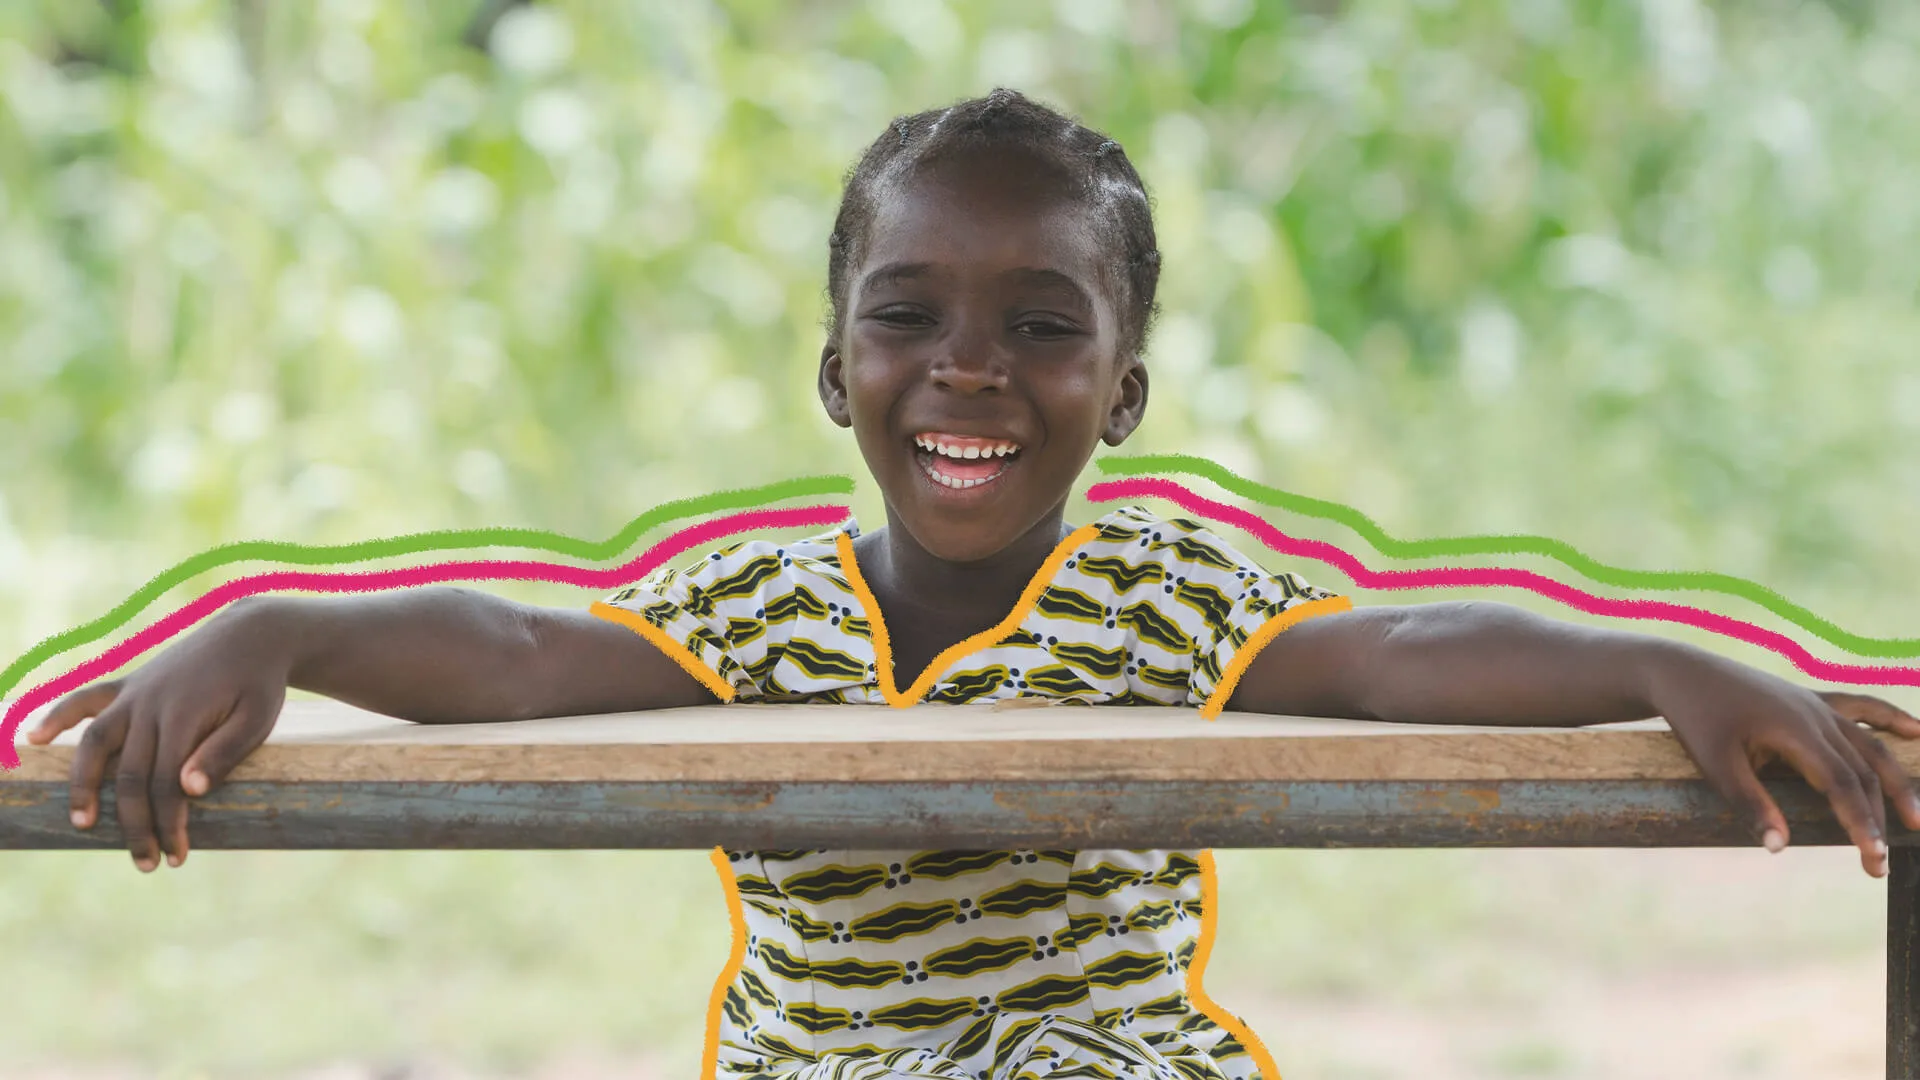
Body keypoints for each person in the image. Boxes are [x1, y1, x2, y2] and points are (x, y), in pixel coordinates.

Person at [27, 89, 1920, 1080]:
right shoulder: (758, 615)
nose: (971, 369)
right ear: (832, 366)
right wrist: (270, 620)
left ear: (1127, 390)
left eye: (1042, 326)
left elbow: (1408, 649)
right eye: (908, 317)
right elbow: (518, 653)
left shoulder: (1168, 594)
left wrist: (1670, 662)